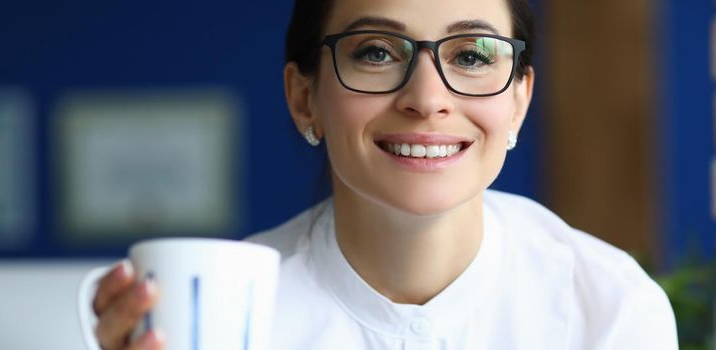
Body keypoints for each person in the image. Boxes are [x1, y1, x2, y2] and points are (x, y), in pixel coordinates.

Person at [88, 0, 677, 348]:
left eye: (471, 55)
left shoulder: (610, 310)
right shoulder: (230, 322)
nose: (427, 99)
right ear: (303, 99)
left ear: (519, 101)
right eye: (376, 52)